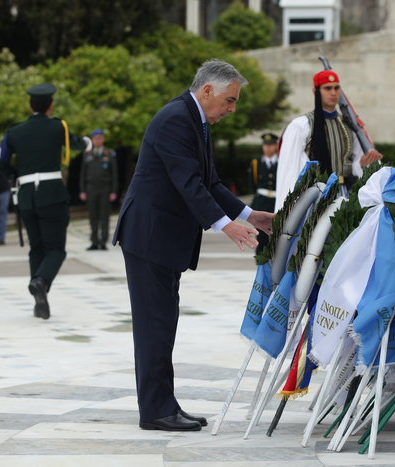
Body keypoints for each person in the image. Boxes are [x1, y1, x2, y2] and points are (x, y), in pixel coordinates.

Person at [113, 59, 274, 432]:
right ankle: (155, 411)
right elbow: (188, 182)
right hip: (149, 235)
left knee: (162, 323)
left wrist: (250, 215)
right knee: (155, 325)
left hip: (162, 238)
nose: (232, 109)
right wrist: (225, 226)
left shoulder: (194, 119)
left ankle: (162, 404)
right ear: (207, 91)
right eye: (230, 100)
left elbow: (211, 182)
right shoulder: (175, 119)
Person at [0, 83, 86, 320]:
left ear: (30, 106)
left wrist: (17, 174)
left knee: (37, 247)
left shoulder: (14, 132)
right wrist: (86, 142)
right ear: (50, 106)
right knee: (56, 249)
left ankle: (39, 297)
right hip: (51, 193)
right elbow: (76, 144)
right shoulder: (58, 127)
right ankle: (40, 281)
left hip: (26, 196)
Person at [274, 70, 383, 212]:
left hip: (347, 193)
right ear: (315, 91)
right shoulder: (301, 125)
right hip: (316, 197)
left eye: (336, 88)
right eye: (327, 88)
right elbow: (290, 170)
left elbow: (354, 161)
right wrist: (286, 211)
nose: (333, 93)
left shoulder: (348, 125)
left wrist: (363, 164)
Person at [79, 128, 118, 251]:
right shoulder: (87, 154)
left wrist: (114, 191)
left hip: (105, 189)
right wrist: (82, 190)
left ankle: (103, 241)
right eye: (95, 138)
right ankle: (94, 241)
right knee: (92, 216)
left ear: (103, 139)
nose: (97, 140)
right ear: (92, 140)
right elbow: (82, 174)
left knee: (104, 216)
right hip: (91, 188)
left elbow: (115, 174)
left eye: (100, 138)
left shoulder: (109, 154)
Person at [249, 132, 279, 254]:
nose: (267, 147)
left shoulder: (282, 162)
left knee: (278, 236)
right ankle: (262, 265)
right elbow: (252, 183)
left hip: (277, 202)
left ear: (276, 146)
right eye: (265, 145)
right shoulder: (256, 163)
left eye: (271, 145)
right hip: (262, 201)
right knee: (261, 237)